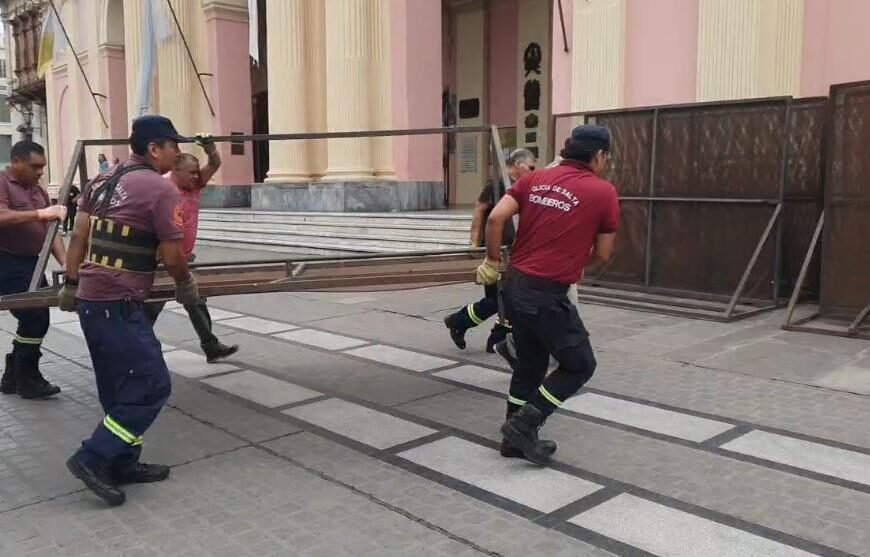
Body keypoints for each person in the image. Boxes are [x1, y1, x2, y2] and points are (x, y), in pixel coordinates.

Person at [59, 115, 201, 506]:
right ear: (154, 148)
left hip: (92, 301)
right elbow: (172, 255)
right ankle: (93, 457)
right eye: (172, 145)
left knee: (118, 389)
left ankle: (123, 463)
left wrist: (72, 284)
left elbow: (79, 237)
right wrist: (186, 285)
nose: (177, 151)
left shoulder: (100, 182)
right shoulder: (160, 189)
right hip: (120, 303)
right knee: (152, 385)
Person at [476, 125, 620, 465]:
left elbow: (496, 217)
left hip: (514, 285)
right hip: (546, 293)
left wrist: (492, 260)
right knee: (579, 364)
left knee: (531, 364)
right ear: (599, 156)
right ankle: (525, 426)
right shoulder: (603, 191)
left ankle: (513, 441)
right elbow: (602, 253)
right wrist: (576, 260)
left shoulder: (535, 179)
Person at [143, 135, 238, 363]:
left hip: (185, 257)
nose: (196, 177)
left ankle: (211, 345)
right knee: (152, 307)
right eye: (191, 172)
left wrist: (210, 148)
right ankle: (136, 346)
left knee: (195, 300)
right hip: (164, 259)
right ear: (176, 170)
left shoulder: (193, 186)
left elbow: (214, 164)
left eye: (197, 172)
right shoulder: (162, 188)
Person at [443, 149, 537, 354]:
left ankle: (497, 339)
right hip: (495, 251)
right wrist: (474, 244)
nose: (533, 171)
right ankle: (459, 322)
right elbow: (479, 210)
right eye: (531, 167)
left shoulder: (521, 187)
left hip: (512, 252)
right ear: (518, 164)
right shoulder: (497, 184)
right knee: (497, 299)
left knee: (509, 298)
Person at [0, 141, 67, 399]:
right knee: (35, 317)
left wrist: (65, 263)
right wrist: (39, 213)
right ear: (15, 162)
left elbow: (51, 230)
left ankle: (13, 376)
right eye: (35, 166)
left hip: (31, 264)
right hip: (6, 263)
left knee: (35, 317)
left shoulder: (37, 191)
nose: (40, 172)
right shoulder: (3, 184)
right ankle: (26, 377)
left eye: (43, 167)